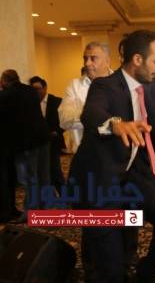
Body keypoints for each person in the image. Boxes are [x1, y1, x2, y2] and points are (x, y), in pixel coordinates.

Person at [68, 30, 155, 282]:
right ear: (138, 60)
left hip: (127, 177)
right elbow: (91, 113)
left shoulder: (148, 88)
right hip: (97, 184)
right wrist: (116, 124)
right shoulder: (105, 85)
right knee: (111, 269)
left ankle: (144, 273)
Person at [0, 70, 50, 222]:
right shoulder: (30, 90)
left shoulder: (6, 95)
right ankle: (44, 207)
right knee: (43, 176)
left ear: (5, 81)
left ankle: (31, 212)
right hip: (42, 138)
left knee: (28, 178)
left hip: (25, 143)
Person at [59, 42, 112, 153]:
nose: (87, 63)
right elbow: (64, 120)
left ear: (107, 61)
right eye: (85, 58)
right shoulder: (74, 85)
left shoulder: (120, 84)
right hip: (84, 154)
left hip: (114, 154)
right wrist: (93, 115)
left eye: (93, 58)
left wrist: (84, 114)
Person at [29, 76, 66, 193]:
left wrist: (57, 131)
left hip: (53, 141)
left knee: (55, 170)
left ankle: (65, 195)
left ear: (45, 88)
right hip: (37, 143)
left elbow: (64, 121)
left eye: (38, 88)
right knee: (41, 173)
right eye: (33, 89)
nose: (36, 92)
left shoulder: (57, 101)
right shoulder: (30, 103)